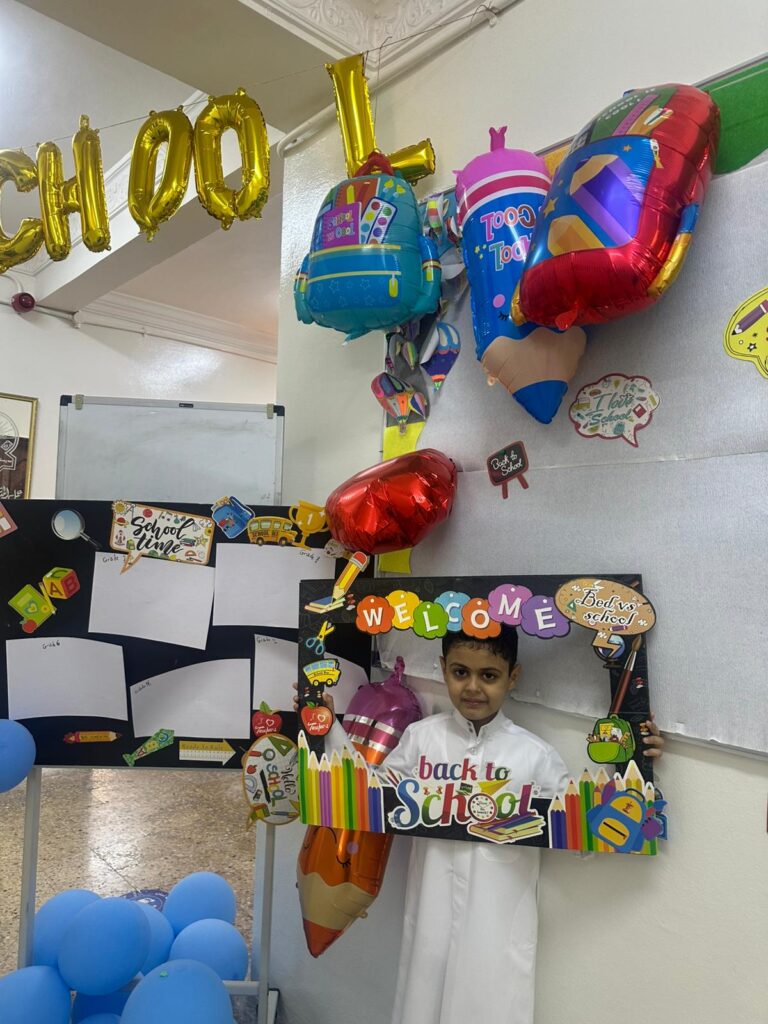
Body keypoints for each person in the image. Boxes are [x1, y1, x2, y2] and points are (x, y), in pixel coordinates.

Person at [298, 624, 664, 1024]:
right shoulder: (421, 740)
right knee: (423, 1004)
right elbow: (368, 795)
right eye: (460, 672)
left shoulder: (534, 756)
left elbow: (580, 832)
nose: (473, 687)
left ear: (512, 676)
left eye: (488, 675)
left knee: (489, 1007)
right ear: (443, 668)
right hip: (430, 916)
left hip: (497, 927)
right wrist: (327, 726)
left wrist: (636, 762)